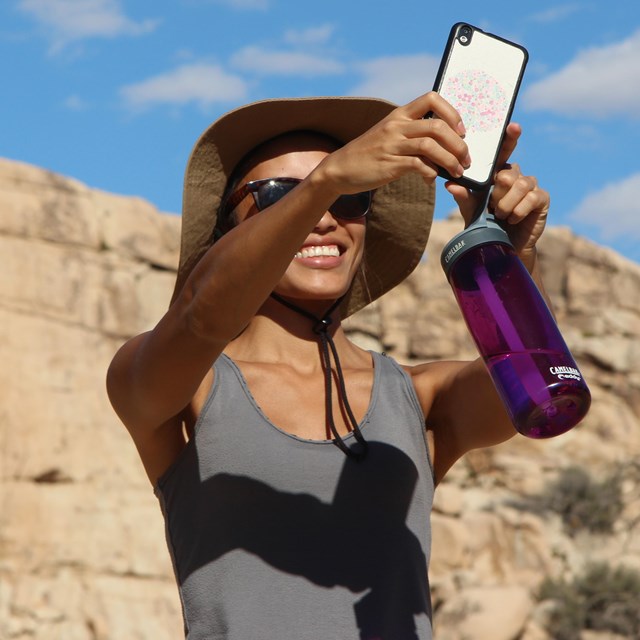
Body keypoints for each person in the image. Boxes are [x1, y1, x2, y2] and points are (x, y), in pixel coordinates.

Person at [106, 91, 550, 639]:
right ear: (228, 230)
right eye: (277, 196)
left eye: (353, 201)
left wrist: (505, 255)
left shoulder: (420, 397)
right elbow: (200, 316)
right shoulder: (183, 385)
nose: (325, 220)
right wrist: (328, 181)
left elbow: (532, 386)